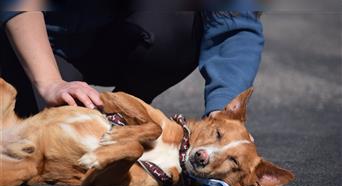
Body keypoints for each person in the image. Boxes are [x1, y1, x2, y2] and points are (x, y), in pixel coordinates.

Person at [0, 2, 264, 118]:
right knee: (50, 136)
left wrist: (223, 113)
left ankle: (123, 113)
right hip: (37, 37)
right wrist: (49, 83)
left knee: (183, 22)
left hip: (121, 33)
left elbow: (235, 21)